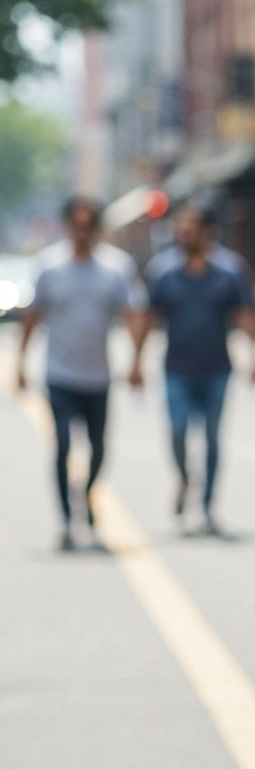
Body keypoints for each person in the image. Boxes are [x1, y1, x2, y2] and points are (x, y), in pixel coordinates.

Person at [16, 197, 146, 549]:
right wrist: (20, 363)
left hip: (98, 376)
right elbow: (32, 316)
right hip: (59, 375)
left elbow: (132, 314)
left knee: (98, 448)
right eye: (76, 225)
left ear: (97, 230)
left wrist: (136, 361)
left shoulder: (115, 268)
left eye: (88, 226)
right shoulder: (50, 266)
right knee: (61, 445)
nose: (82, 232)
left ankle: (86, 493)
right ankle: (66, 519)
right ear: (67, 226)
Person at [142, 204, 255, 534]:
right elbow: (148, 316)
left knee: (211, 438)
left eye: (191, 227)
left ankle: (207, 506)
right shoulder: (163, 270)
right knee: (178, 432)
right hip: (176, 370)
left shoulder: (229, 270)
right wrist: (135, 362)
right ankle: (184, 478)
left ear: (207, 231)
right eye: (180, 227)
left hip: (217, 370)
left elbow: (245, 314)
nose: (185, 233)